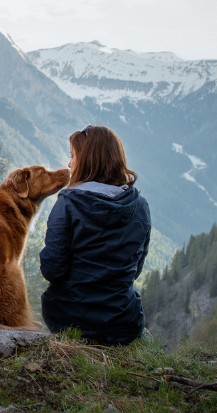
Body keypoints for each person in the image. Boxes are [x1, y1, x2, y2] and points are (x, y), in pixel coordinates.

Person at [38, 124, 151, 345]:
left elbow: (52, 269)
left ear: (89, 159)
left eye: (73, 156)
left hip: (69, 321)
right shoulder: (140, 206)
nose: (69, 164)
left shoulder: (68, 204)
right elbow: (135, 270)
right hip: (124, 324)